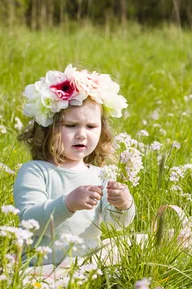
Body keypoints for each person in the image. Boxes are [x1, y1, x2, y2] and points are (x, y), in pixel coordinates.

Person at [14, 64, 135, 275]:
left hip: (88, 260)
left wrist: (122, 205)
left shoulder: (99, 174)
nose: (81, 134)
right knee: (32, 280)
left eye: (91, 127)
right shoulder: (35, 171)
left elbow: (114, 225)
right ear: (48, 129)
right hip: (43, 264)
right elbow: (30, 221)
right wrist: (68, 203)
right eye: (71, 126)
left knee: (138, 242)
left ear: (102, 130)